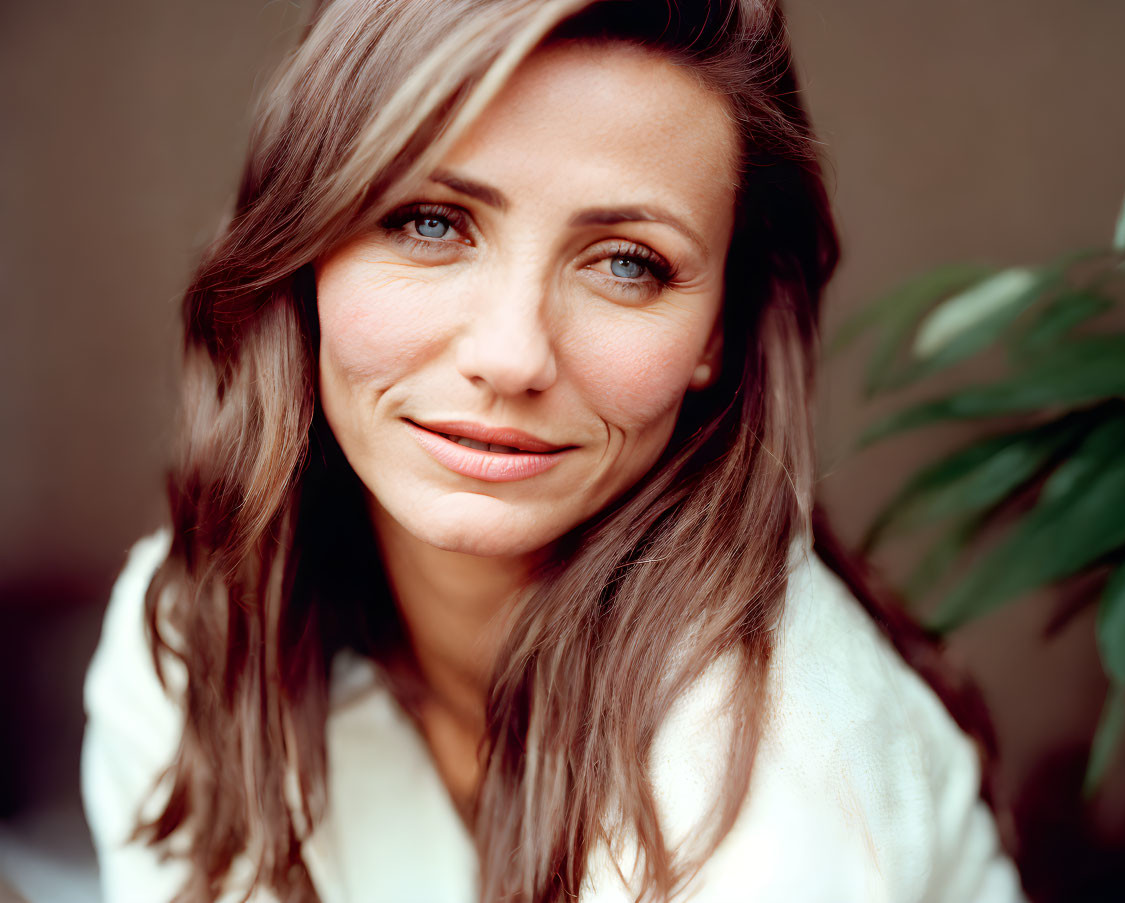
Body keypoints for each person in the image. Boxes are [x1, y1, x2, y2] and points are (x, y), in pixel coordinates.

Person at [81, 1, 1029, 901]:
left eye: (627, 262)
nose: (512, 354)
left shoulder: (783, 750)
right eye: (430, 223)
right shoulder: (190, 632)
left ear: (717, 333)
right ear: (304, 248)